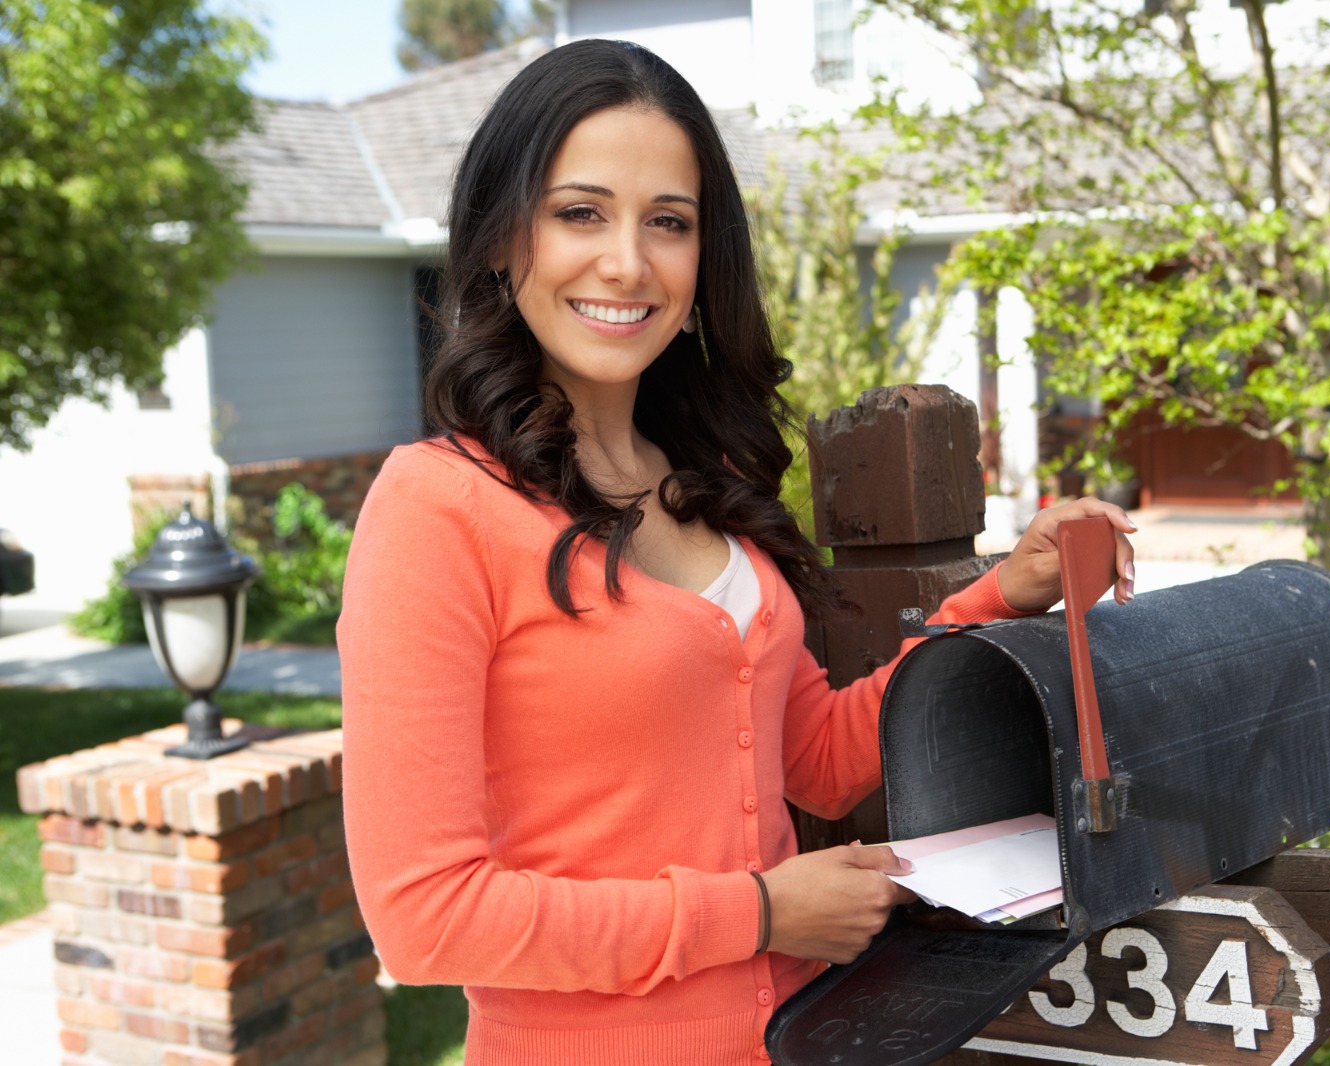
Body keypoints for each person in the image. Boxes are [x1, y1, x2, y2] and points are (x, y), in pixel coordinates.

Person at [337, 38, 1137, 1066]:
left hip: (803, 1038)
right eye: (580, 212)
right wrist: (757, 913)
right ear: (501, 239)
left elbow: (815, 758)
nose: (628, 262)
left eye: (668, 222)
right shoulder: (438, 508)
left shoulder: (702, 477)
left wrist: (1002, 594)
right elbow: (425, 916)